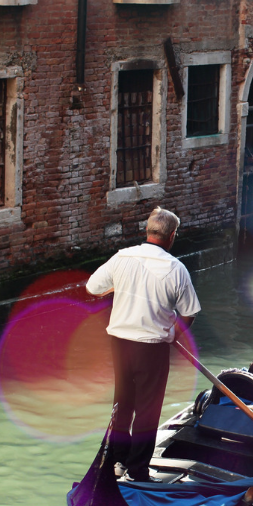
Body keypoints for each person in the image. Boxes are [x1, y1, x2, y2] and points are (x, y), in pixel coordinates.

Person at [87, 207, 200, 483]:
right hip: (152, 347)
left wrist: (119, 286)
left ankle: (117, 462)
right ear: (172, 236)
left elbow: (93, 287)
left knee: (122, 403)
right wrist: (173, 333)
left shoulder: (122, 257)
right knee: (148, 409)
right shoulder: (176, 269)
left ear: (147, 231)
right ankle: (137, 470)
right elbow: (189, 312)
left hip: (120, 343)